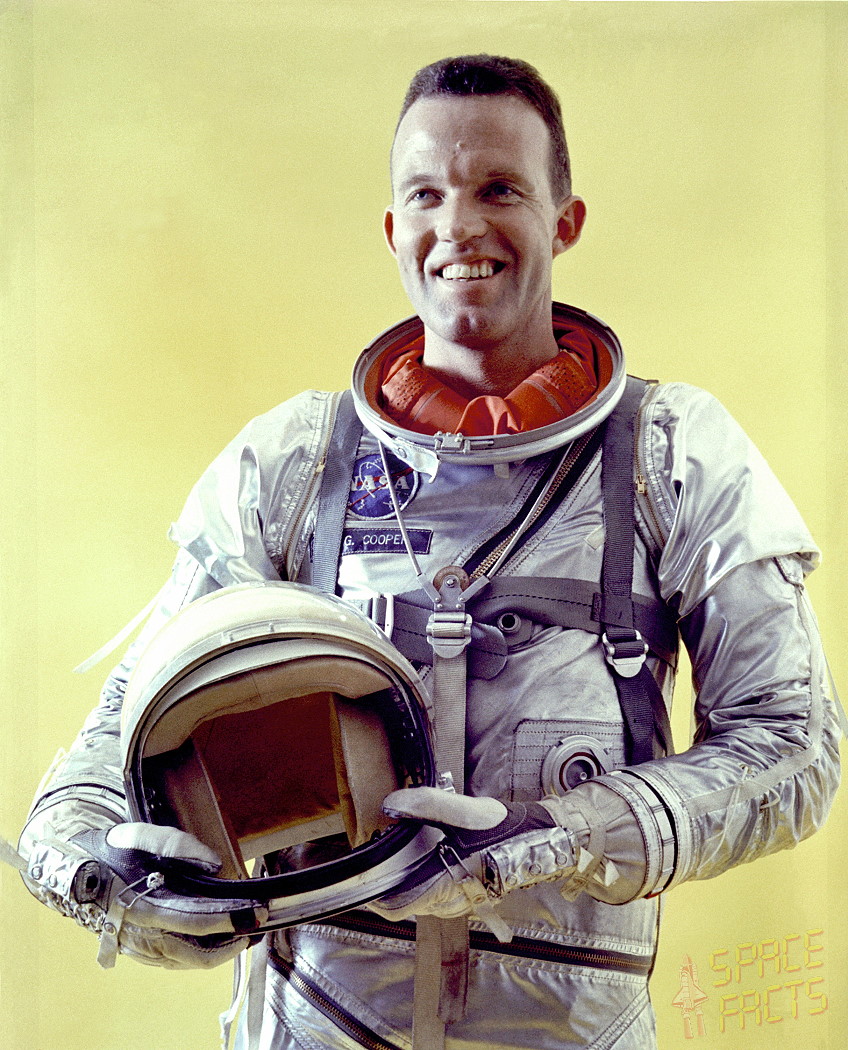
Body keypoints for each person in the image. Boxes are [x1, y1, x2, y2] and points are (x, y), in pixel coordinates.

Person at [17, 55, 842, 1050]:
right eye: (426, 195)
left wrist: (557, 837)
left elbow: (792, 748)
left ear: (564, 220)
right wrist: (108, 879)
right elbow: (120, 735)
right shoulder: (292, 463)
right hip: (312, 1022)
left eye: (499, 189)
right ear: (392, 228)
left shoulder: (670, 453)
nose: (458, 227)